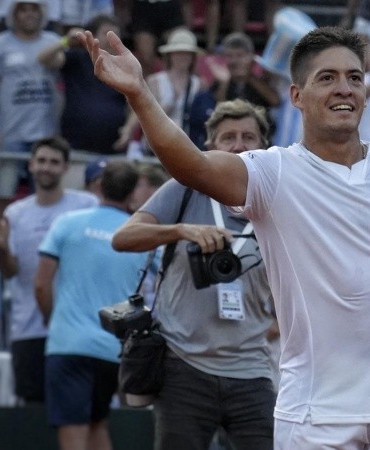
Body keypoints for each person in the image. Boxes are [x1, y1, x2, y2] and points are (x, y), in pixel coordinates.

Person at [81, 25, 370, 448]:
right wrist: (140, 93)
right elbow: (192, 166)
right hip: (315, 419)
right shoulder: (273, 172)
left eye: (354, 78)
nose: (345, 88)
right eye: (328, 78)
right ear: (297, 95)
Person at [112, 99, 277, 450]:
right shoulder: (185, 189)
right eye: (227, 137)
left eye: (248, 137)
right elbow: (123, 238)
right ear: (210, 148)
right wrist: (180, 231)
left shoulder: (278, 202)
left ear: (264, 147)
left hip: (253, 370)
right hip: (184, 368)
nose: (238, 145)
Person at [34, 160, 145, 450]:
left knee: (74, 430)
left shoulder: (67, 223)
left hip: (68, 345)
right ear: (133, 193)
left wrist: (52, 320)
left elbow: (41, 284)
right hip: (113, 350)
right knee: (98, 425)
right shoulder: (141, 236)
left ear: (99, 186)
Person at [0, 136, 98, 404]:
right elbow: (10, 271)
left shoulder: (85, 206)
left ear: (66, 168)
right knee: (33, 413)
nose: (47, 167)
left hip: (77, 328)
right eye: (42, 161)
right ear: (31, 165)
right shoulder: (15, 213)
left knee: (79, 409)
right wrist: (1, 247)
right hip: (29, 329)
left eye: (54, 162)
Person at [0, 0, 61, 216]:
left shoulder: (53, 41)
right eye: (23, 9)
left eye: (34, 9)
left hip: (45, 134)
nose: (29, 14)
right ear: (12, 14)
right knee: (1, 195)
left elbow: (61, 65)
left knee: (46, 198)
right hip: (9, 134)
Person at [37, 15, 128, 155]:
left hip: (112, 148)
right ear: (93, 36)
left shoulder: (123, 66)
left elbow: (136, 101)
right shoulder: (77, 58)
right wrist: (66, 40)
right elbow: (43, 58)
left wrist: (128, 129)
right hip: (75, 144)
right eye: (106, 33)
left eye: (115, 34)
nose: (111, 39)